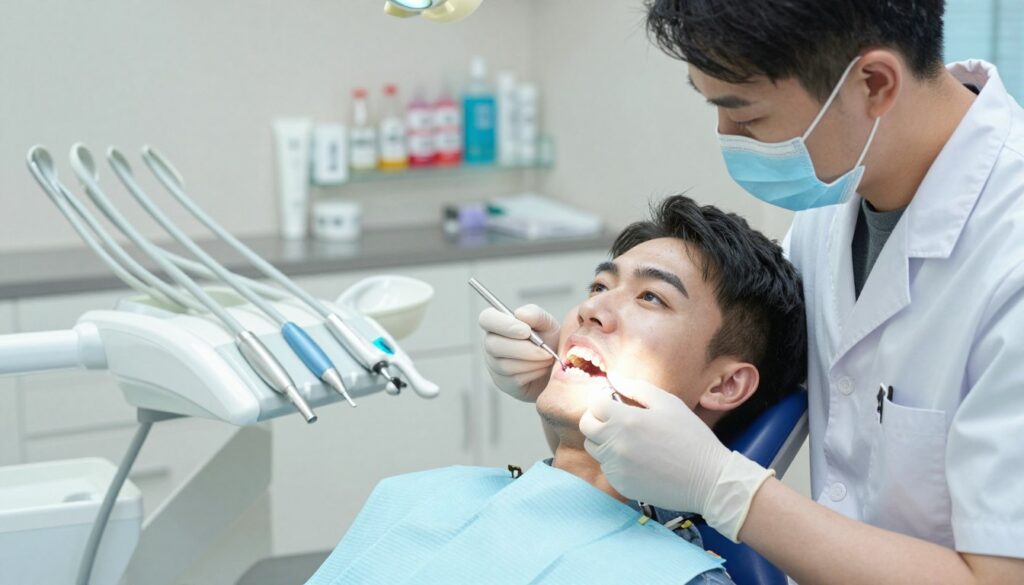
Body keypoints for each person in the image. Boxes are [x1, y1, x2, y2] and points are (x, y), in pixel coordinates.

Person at [481, 1, 1024, 583]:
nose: (728, 137)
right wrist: (572, 384)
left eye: (746, 115)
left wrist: (724, 487)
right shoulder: (834, 199)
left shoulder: (1007, 260)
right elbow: (689, 414)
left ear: (873, 84)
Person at [306, 196, 806, 585]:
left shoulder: (680, 578)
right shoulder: (418, 495)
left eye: (650, 297)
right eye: (598, 287)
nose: (591, 311)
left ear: (725, 384)